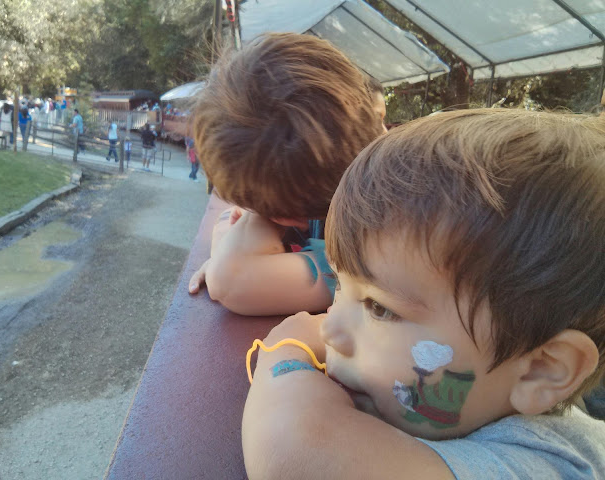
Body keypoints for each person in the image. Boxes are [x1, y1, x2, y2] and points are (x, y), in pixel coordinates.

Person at [242, 109, 605, 479]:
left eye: (379, 308)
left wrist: (285, 348)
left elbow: (294, 455)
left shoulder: (546, 465)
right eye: (338, 285)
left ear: (541, 369)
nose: (329, 331)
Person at [187, 32, 384, 316]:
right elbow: (227, 221)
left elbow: (228, 280)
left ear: (284, 218)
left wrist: (233, 250)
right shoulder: (348, 178)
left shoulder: (377, 240)